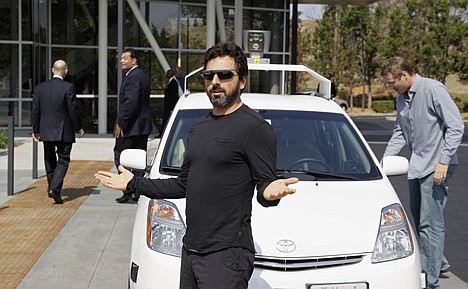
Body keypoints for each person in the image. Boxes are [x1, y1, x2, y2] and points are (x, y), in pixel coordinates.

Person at [95, 41, 299, 289]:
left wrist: (270, 192)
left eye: (224, 75)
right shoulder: (199, 127)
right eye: (209, 75)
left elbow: (266, 187)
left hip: (226, 255)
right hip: (190, 249)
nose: (215, 81)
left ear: (242, 81)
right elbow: (183, 185)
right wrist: (133, 184)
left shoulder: (255, 129)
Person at [381, 56, 464, 289]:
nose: (390, 88)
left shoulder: (433, 90)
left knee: (430, 223)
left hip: (437, 166)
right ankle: (439, 261)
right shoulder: (402, 99)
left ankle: (430, 280)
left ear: (405, 75)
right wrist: (384, 163)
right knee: (419, 220)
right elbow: (400, 132)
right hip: (417, 166)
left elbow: (456, 126)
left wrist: (444, 161)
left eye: (392, 83)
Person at [32, 59, 85, 204]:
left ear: (52, 70)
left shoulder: (40, 88)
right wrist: (79, 127)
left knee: (49, 160)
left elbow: (35, 110)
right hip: (64, 131)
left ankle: (53, 187)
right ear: (66, 71)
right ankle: (54, 188)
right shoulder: (68, 87)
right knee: (63, 160)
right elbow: (73, 110)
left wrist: (35, 130)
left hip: (46, 130)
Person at [114, 48, 157, 203]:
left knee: (121, 157)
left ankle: (127, 191)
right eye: (121, 58)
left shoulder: (133, 77)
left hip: (131, 127)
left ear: (134, 60)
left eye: (125, 58)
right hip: (141, 126)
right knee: (138, 159)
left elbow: (131, 102)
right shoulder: (141, 75)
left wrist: (121, 122)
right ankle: (137, 191)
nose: (121, 61)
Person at [160, 69, 181, 135]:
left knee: (167, 119)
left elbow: (174, 95)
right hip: (168, 106)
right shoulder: (170, 82)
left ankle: (164, 133)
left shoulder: (173, 83)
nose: (166, 75)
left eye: (168, 73)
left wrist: (172, 106)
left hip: (170, 106)